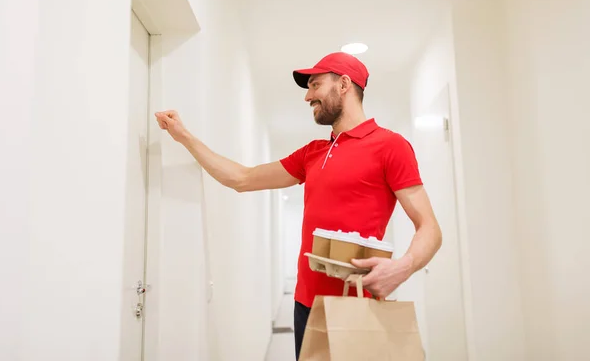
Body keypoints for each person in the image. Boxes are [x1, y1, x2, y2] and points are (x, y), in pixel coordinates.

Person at [155, 52, 442, 360]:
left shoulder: (390, 146)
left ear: (344, 84)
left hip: (356, 304)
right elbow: (242, 178)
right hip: (305, 305)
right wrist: (184, 137)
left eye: (315, 85)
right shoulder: (313, 153)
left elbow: (430, 227)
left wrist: (403, 267)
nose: (308, 96)